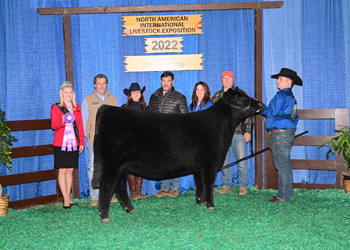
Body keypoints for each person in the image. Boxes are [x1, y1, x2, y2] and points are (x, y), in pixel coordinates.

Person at [260, 68, 302, 203]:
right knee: (284, 164)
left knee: (282, 165)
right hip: (287, 133)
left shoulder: (281, 96)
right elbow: (295, 118)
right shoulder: (292, 98)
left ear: (288, 81)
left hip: (279, 134)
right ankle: (286, 194)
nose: (277, 81)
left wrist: (258, 106)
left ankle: (283, 196)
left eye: (280, 79)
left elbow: (270, 111)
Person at [212, 71, 253, 196]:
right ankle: (226, 185)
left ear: (233, 79)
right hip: (222, 134)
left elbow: (248, 113)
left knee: (241, 160)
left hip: (238, 132)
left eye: (229, 78)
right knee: (224, 161)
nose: (226, 80)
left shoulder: (241, 94)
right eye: (224, 78)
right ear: (221, 80)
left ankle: (243, 186)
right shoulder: (217, 96)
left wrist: (248, 131)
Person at [149, 71, 188, 198]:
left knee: (175, 162)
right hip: (157, 136)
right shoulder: (153, 96)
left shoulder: (180, 97)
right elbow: (149, 117)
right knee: (161, 162)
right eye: (163, 80)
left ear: (173, 82)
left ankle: (175, 188)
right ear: (161, 81)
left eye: (168, 80)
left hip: (174, 135)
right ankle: (164, 188)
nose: (166, 83)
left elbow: (185, 119)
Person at [81, 74, 119, 206]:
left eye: (104, 83)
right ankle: (95, 196)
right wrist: (90, 135)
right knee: (93, 167)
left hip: (110, 141)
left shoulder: (113, 99)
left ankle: (108, 195)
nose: (101, 85)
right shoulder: (88, 100)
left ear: (107, 85)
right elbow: (84, 121)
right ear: (95, 85)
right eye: (99, 83)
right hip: (95, 140)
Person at [51, 81, 85, 209]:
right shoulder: (56, 107)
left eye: (70, 92)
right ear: (62, 93)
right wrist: (63, 121)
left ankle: (69, 197)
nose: (68, 94)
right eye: (66, 92)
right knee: (62, 170)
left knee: (70, 170)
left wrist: (81, 142)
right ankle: (65, 198)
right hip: (61, 143)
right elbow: (53, 125)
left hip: (74, 142)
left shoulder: (77, 107)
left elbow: (80, 126)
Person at [121, 82, 148, 200]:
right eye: (134, 92)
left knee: (141, 166)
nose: (136, 94)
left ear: (141, 94)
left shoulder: (146, 108)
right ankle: (132, 193)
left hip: (142, 141)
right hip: (129, 142)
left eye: (138, 92)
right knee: (130, 166)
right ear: (130, 95)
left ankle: (139, 191)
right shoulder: (124, 108)